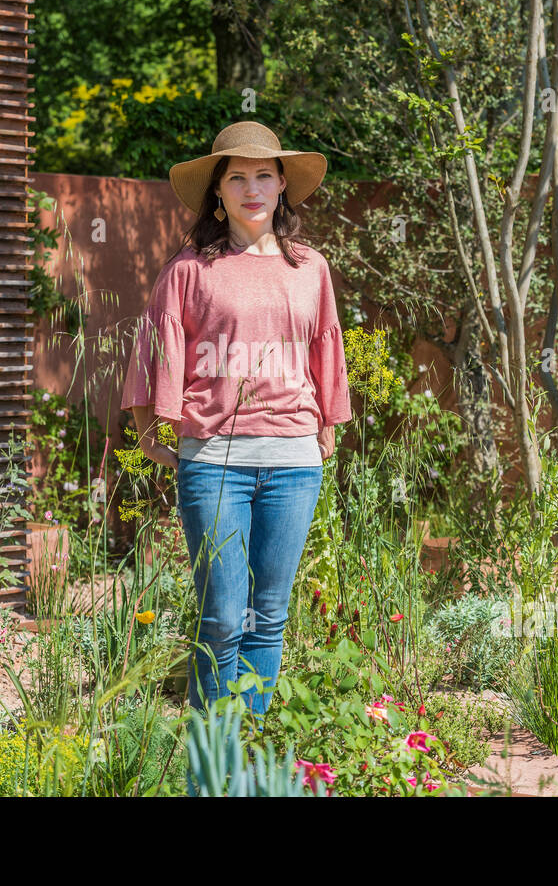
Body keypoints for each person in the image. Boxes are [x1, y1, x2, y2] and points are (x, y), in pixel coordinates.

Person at [119, 120, 353, 722]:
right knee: (223, 616)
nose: (253, 189)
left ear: (282, 188)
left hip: (294, 466)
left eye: (264, 176)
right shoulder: (189, 270)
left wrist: (325, 429)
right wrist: (149, 432)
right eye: (238, 177)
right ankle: (211, 758)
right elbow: (155, 349)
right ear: (217, 194)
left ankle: (250, 753)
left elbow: (326, 348)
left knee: (268, 614)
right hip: (214, 462)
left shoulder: (311, 269)